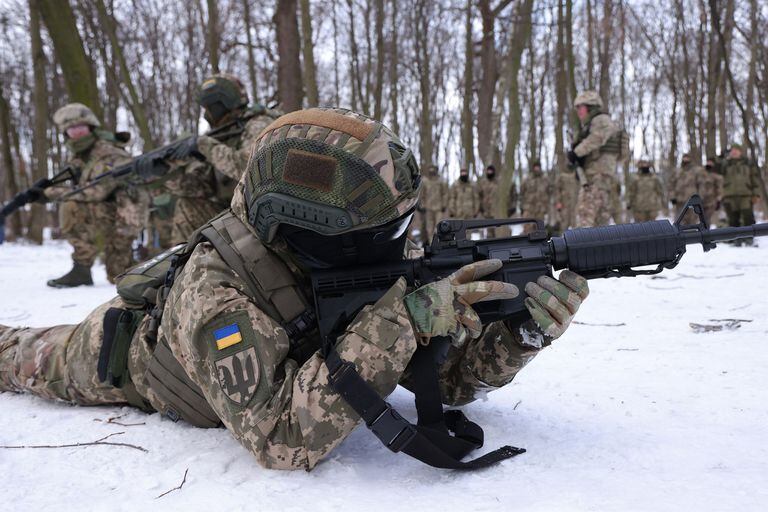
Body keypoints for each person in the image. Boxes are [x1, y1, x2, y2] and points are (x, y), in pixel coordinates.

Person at [0, 108, 588, 470]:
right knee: (19, 354)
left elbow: (445, 377)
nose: (402, 243)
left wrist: (520, 333)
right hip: (125, 356)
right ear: (317, 230)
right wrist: (401, 321)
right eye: (389, 231)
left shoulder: (362, 250)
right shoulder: (215, 291)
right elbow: (282, 437)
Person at [149, 74, 281, 247]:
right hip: (236, 211)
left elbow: (248, 167)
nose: (206, 114)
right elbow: (202, 188)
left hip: (262, 214)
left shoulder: (257, 123)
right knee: (187, 205)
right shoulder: (224, 135)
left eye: (208, 108)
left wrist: (203, 145)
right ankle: (183, 268)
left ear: (220, 104)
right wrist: (167, 173)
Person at [43, 103, 148, 287]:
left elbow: (98, 191)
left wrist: (52, 192)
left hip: (127, 216)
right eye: (71, 130)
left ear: (91, 128)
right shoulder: (81, 156)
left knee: (121, 276)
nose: (77, 133)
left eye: (81, 128)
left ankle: (155, 261)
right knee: (71, 206)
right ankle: (81, 268)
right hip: (110, 212)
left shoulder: (108, 152)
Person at [568, 91, 620, 227]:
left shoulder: (601, 120)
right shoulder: (590, 125)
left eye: (581, 107)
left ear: (591, 107)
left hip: (597, 180)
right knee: (599, 226)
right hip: (598, 180)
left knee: (584, 220)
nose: (578, 111)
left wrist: (576, 152)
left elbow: (598, 138)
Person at [720, 144, 761, 245]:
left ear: (740, 151)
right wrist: (722, 157)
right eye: (732, 150)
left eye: (736, 150)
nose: (734, 152)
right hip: (730, 195)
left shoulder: (748, 163)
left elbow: (755, 179)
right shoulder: (726, 164)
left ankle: (749, 238)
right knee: (733, 218)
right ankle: (736, 239)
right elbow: (717, 170)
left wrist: (756, 194)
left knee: (748, 216)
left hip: (746, 194)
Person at [478, 164, 516, 238]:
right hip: (487, 213)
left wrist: (511, 207)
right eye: (488, 171)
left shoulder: (499, 182)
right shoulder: (482, 183)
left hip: (498, 213)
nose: (489, 172)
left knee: (501, 232)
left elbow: (510, 195)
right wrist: (480, 208)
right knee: (489, 234)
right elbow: (479, 196)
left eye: (491, 171)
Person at [672, 153, 710, 225]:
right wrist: (672, 196)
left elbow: (702, 185)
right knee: (678, 222)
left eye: (687, 158)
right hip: (679, 201)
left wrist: (700, 198)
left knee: (692, 223)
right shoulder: (677, 171)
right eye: (684, 158)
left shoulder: (697, 171)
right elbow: (671, 185)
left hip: (692, 201)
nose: (686, 159)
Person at [418, 164, 449, 242]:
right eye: (430, 169)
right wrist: (422, 205)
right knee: (429, 228)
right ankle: (431, 243)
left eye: (433, 169)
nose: (431, 171)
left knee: (438, 226)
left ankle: (439, 242)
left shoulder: (441, 181)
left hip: (439, 208)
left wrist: (444, 205)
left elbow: (445, 194)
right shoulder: (425, 181)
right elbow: (422, 195)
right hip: (428, 208)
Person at [520, 160, 550, 229]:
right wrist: (522, 207)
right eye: (535, 167)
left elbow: (550, 193)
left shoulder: (545, 180)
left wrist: (547, 207)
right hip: (529, 209)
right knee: (527, 229)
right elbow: (521, 193)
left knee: (539, 230)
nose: (536, 169)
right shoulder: (527, 179)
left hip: (541, 210)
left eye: (538, 167)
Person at [554, 165, 579, 231]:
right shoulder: (562, 176)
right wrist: (558, 202)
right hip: (564, 205)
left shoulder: (577, 175)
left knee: (575, 226)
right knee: (563, 225)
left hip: (575, 205)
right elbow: (557, 190)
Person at [703, 156, 724, 226]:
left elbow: (720, 188)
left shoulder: (717, 176)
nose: (709, 164)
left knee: (709, 220)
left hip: (712, 201)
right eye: (708, 162)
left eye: (710, 162)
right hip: (702, 200)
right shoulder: (702, 174)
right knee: (703, 220)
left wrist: (718, 200)